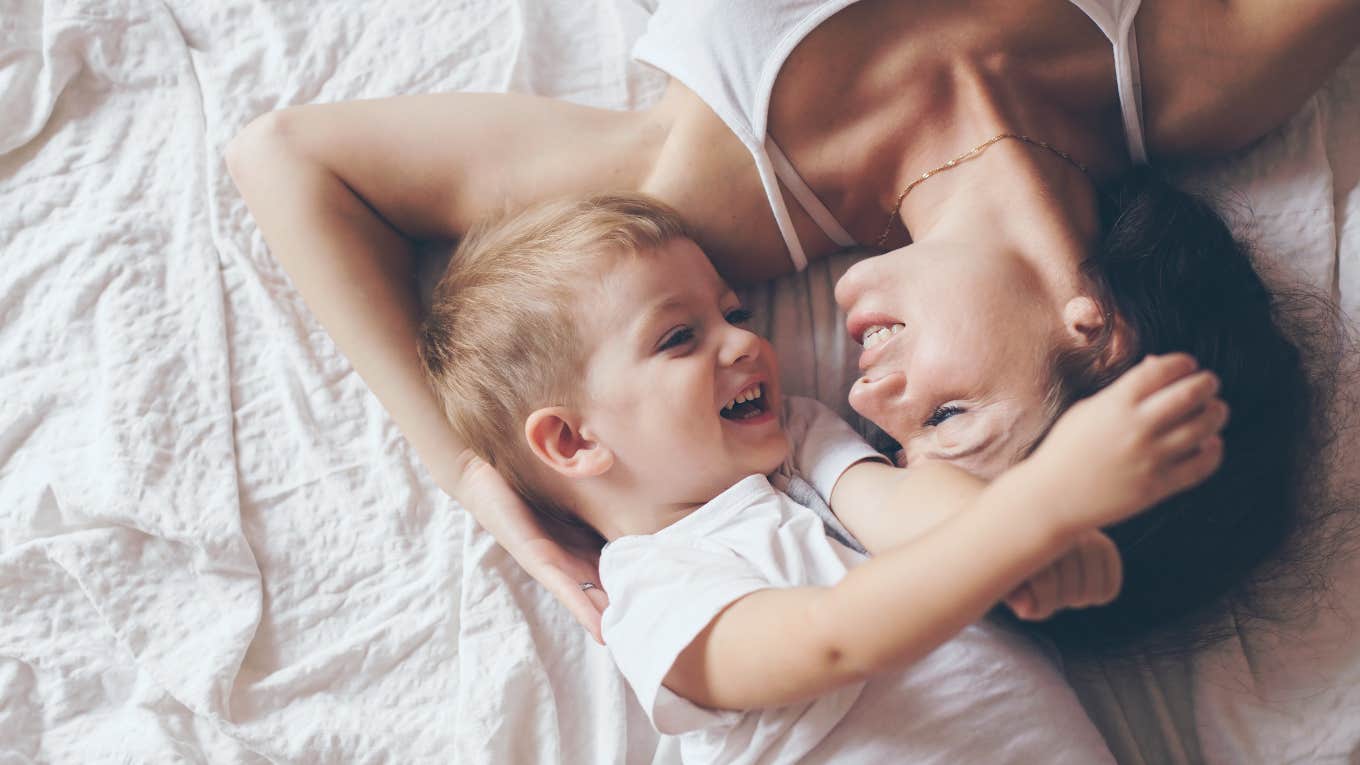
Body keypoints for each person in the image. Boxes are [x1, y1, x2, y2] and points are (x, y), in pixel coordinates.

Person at [224, 0, 1359, 651]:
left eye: (892, 439)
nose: (868, 400)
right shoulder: (1218, 67)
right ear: (1099, 329)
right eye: (949, 414)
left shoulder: (700, 210)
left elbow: (290, 160)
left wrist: (480, 481)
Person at [417, 192, 1228, 763]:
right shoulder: (653, 601)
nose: (741, 343)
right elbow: (838, 635)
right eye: (678, 338)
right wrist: (1034, 506)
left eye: (733, 313)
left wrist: (1031, 540)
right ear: (571, 440)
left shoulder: (795, 441)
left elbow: (905, 502)